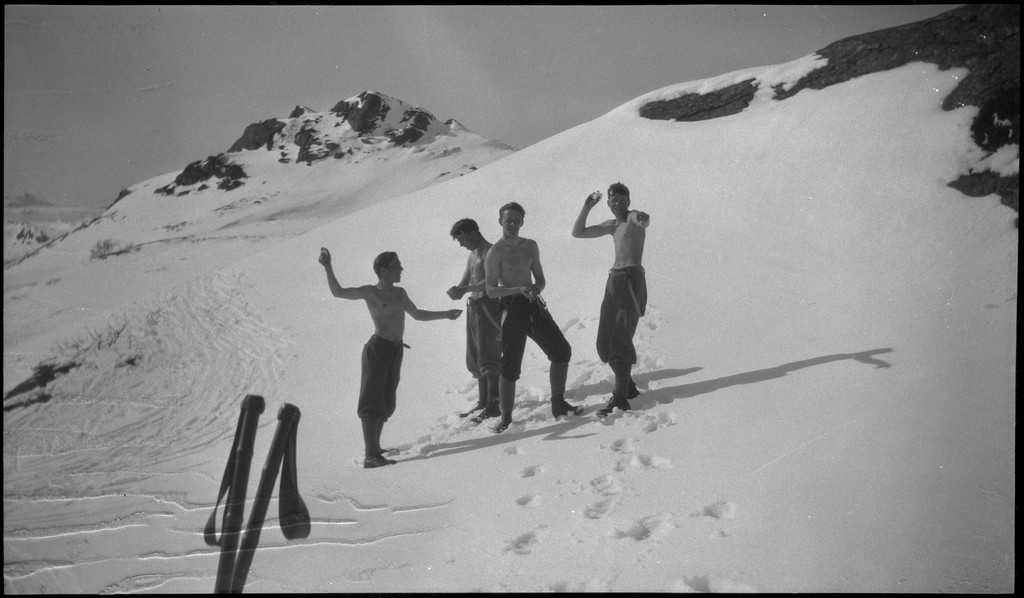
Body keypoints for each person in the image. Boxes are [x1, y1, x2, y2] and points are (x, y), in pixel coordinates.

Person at [318, 247, 462, 468]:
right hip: (378, 349)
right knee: (371, 400)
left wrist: (446, 314)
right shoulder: (370, 292)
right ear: (383, 270)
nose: (401, 269)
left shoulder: (400, 293)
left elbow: (417, 314)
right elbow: (338, 292)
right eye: (397, 266)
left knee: (387, 400)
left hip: (395, 350)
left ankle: (375, 448)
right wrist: (328, 266)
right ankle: (370, 455)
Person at [484, 202, 579, 433]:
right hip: (511, 308)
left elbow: (540, 279)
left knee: (561, 351)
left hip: (532, 304)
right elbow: (491, 290)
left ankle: (558, 403)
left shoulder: (530, 246)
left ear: (522, 222)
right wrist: (518, 289)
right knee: (510, 364)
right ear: (500, 221)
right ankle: (506, 418)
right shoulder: (495, 253)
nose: (512, 224)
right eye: (508, 220)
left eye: (516, 220)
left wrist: (537, 288)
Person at [570, 181, 650, 417]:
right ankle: (629, 387)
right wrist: (587, 206)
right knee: (604, 345)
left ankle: (620, 398)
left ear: (629, 202)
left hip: (631, 279)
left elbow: (642, 220)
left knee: (620, 340)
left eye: (622, 201)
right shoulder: (611, 225)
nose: (618, 205)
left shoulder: (632, 218)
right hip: (614, 281)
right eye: (614, 202)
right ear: (608, 203)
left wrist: (643, 217)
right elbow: (578, 232)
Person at [446, 218, 502, 422]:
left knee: (488, 353)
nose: (461, 244)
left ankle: (494, 403)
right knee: (475, 354)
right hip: (474, 307)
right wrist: (457, 290)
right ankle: (483, 401)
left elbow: (491, 281)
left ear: (471, 233)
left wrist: (466, 289)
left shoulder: (491, 251)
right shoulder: (472, 256)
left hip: (489, 305)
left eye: (461, 239)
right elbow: (465, 281)